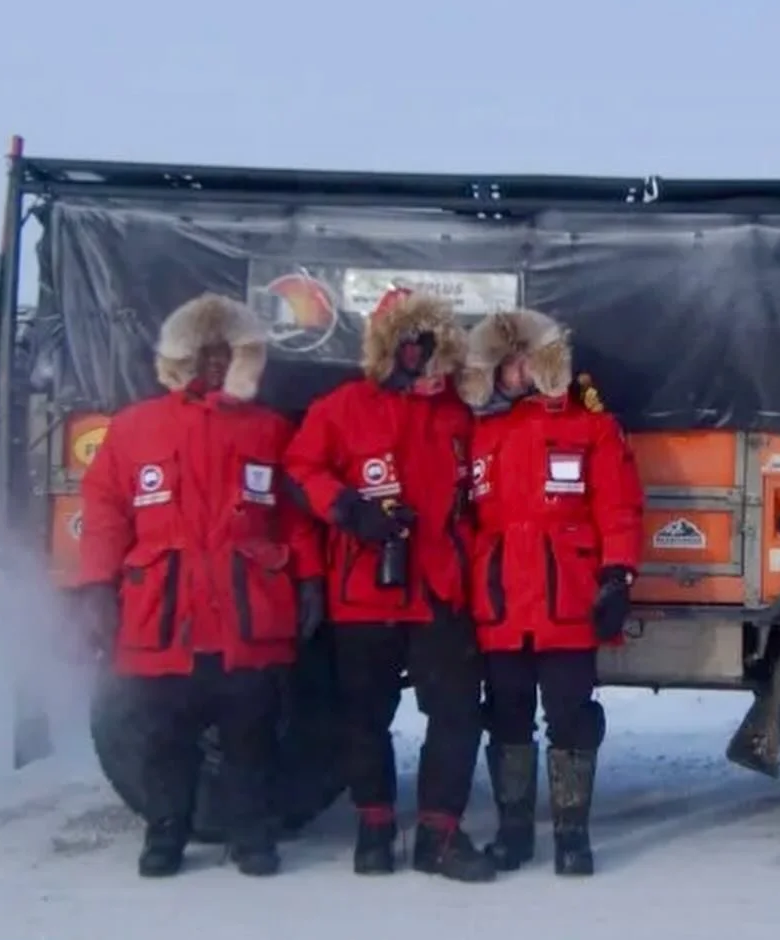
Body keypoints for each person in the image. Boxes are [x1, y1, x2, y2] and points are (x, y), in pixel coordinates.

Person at [73, 292, 326, 879]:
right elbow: (106, 510)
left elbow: (292, 515)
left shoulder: (268, 430)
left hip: (246, 613)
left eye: (227, 354)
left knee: (251, 735)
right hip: (165, 613)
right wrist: (96, 586)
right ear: (181, 358)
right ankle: (165, 836)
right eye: (206, 354)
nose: (216, 365)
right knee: (164, 738)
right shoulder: (135, 428)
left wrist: (309, 576)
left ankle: (252, 837)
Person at [284, 288, 494, 883]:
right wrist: (351, 511)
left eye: (430, 345)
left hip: (439, 590)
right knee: (364, 716)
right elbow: (299, 469)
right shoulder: (342, 407)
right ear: (387, 347)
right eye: (409, 344)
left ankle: (439, 834)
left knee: (456, 713)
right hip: (363, 590)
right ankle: (373, 826)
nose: (419, 356)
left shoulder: (458, 413)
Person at [458, 308, 644, 876]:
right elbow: (464, 519)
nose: (515, 373)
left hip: (568, 602)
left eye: (523, 360)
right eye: (504, 363)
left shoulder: (590, 427)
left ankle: (571, 835)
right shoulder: (478, 432)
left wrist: (618, 573)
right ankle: (514, 832)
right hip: (500, 605)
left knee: (571, 716)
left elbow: (618, 507)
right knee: (507, 716)